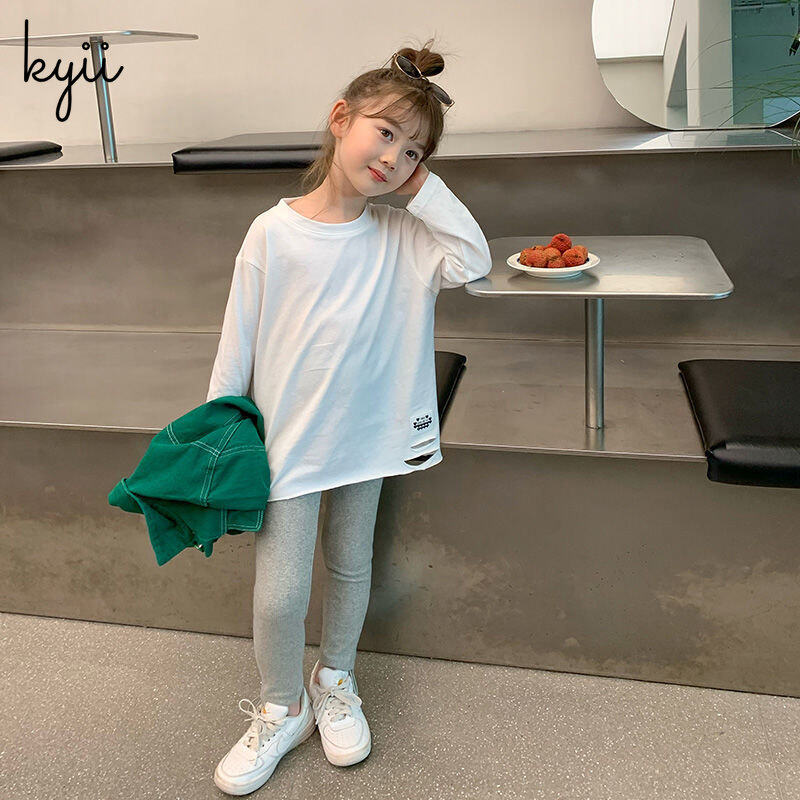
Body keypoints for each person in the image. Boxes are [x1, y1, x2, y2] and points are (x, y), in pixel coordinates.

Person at [209, 37, 492, 795]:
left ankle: (335, 678)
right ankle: (282, 706)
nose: (393, 157)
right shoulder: (273, 233)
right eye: (385, 132)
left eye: (413, 151)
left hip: (368, 438)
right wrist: (219, 436)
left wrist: (422, 188)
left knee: (351, 565)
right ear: (341, 119)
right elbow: (237, 344)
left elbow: (474, 260)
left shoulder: (405, 237)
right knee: (279, 593)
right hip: (290, 443)